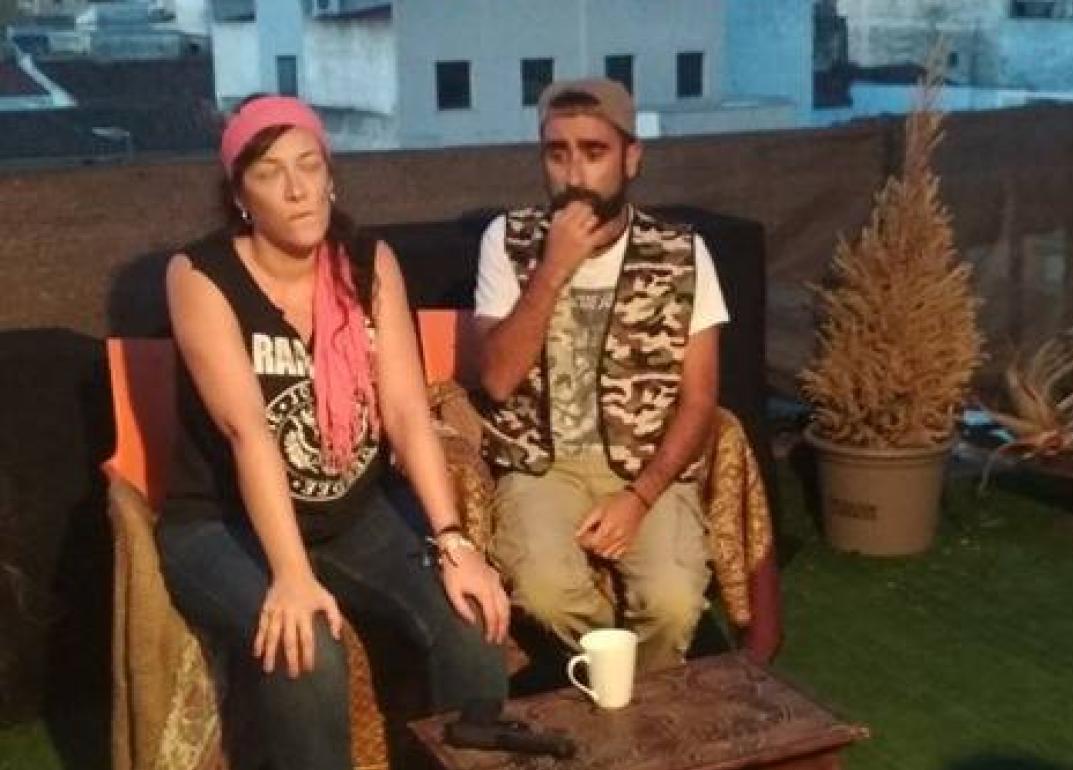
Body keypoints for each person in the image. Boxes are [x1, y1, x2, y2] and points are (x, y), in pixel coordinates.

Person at [156, 94, 508, 770]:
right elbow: (249, 432)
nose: (297, 189)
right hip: (221, 525)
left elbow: (406, 411)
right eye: (270, 173)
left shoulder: (369, 262)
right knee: (307, 650)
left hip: (352, 513)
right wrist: (290, 575)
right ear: (240, 196)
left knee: (471, 618)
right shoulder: (201, 275)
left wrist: (454, 540)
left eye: (309, 165)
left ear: (330, 175)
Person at [473, 78, 730, 673]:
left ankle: (624, 697)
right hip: (542, 465)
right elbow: (497, 380)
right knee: (544, 593)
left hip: (645, 466)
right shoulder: (507, 240)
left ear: (631, 158)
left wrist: (639, 498)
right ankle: (628, 687)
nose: (575, 174)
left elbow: (700, 399)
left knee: (671, 603)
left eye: (594, 152)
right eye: (557, 153)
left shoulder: (681, 252)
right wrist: (553, 268)